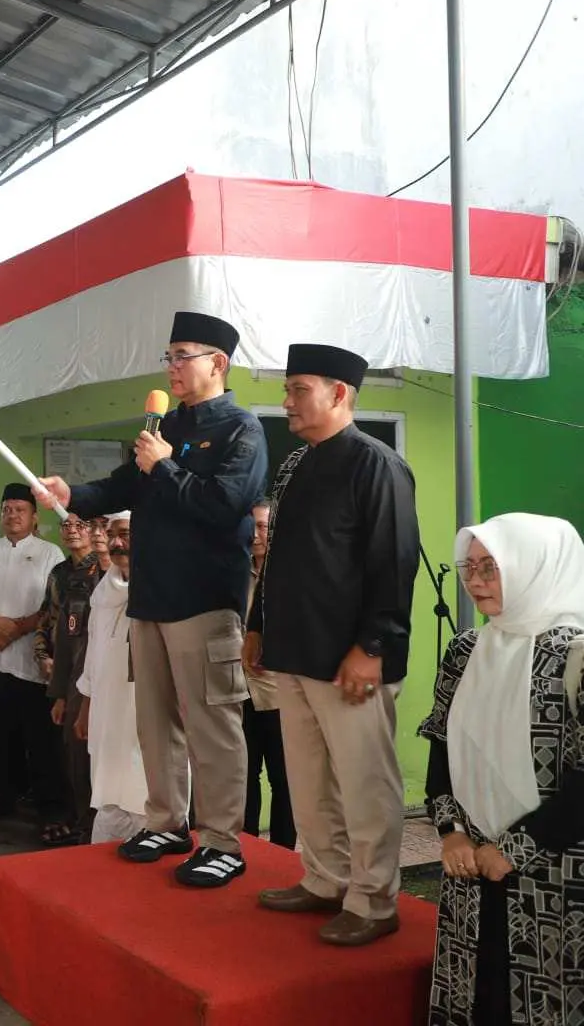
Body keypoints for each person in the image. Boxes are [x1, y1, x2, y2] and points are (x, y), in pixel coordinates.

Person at [39, 311, 267, 888]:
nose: (171, 368)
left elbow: (224, 505)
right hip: (152, 597)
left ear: (218, 362)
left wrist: (166, 466)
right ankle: (167, 820)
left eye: (181, 356)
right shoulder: (168, 427)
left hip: (204, 600)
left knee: (212, 726)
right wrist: (75, 495)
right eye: (167, 357)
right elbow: (124, 485)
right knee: (156, 721)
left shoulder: (242, 430)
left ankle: (223, 840)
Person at [244, 345, 418, 944]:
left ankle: (373, 900)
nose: (287, 401)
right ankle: (323, 879)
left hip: (351, 659)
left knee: (365, 784)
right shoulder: (295, 465)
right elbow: (278, 557)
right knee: (309, 780)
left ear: (339, 393)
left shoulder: (377, 466)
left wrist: (373, 645)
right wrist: (257, 623)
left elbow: (393, 564)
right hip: (294, 653)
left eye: (298, 389)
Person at [418, 514, 584, 1025]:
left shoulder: (575, 655)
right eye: (469, 567)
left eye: (492, 567)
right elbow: (441, 743)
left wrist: (510, 851)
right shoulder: (466, 650)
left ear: (534, 566)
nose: (474, 582)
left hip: (556, 876)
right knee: (478, 996)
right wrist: (450, 834)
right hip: (471, 867)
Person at [0, 485, 66, 842]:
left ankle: (51, 809)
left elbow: (53, 606)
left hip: (34, 666)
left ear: (35, 517)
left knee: (41, 741)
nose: (12, 515)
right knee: (0, 738)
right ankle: (2, 800)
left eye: (20, 509)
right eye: (6, 509)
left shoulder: (50, 553)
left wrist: (14, 630)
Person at [69, 513, 147, 844]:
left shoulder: (165, 588)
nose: (116, 542)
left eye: (126, 534)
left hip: (146, 710)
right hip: (106, 710)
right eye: (112, 535)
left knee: (147, 791)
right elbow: (94, 657)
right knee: (109, 793)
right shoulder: (103, 593)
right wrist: (86, 708)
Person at [36, 513, 103, 842]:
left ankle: (97, 829)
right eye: (66, 525)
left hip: (108, 681)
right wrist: (46, 660)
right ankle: (81, 826)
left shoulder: (107, 572)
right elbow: (51, 621)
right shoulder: (62, 573)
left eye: (82, 525)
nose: (73, 530)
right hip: (73, 676)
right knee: (73, 756)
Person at [241, 501, 294, 849]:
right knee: (243, 778)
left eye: (264, 527)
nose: (258, 535)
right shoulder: (233, 572)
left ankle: (282, 853)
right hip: (239, 690)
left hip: (279, 693)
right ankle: (242, 849)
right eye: (253, 527)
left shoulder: (291, 575)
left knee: (284, 780)